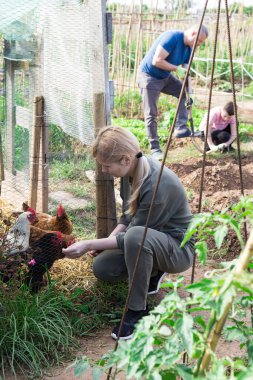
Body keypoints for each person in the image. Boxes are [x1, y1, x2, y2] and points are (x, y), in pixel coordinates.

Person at [63, 126, 195, 340]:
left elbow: (134, 236)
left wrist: (90, 244)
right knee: (103, 267)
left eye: (106, 165)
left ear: (125, 159)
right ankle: (153, 270)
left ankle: (137, 311)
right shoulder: (132, 170)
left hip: (178, 249)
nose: (104, 170)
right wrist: (104, 242)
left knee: (136, 239)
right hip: (152, 237)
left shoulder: (157, 185)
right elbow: (128, 217)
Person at [137, 25, 208, 160]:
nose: (199, 45)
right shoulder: (172, 37)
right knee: (151, 113)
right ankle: (155, 149)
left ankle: (181, 128)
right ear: (193, 33)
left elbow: (186, 73)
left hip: (164, 77)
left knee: (183, 92)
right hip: (149, 76)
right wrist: (176, 69)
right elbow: (157, 60)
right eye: (199, 41)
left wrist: (190, 93)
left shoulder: (189, 49)